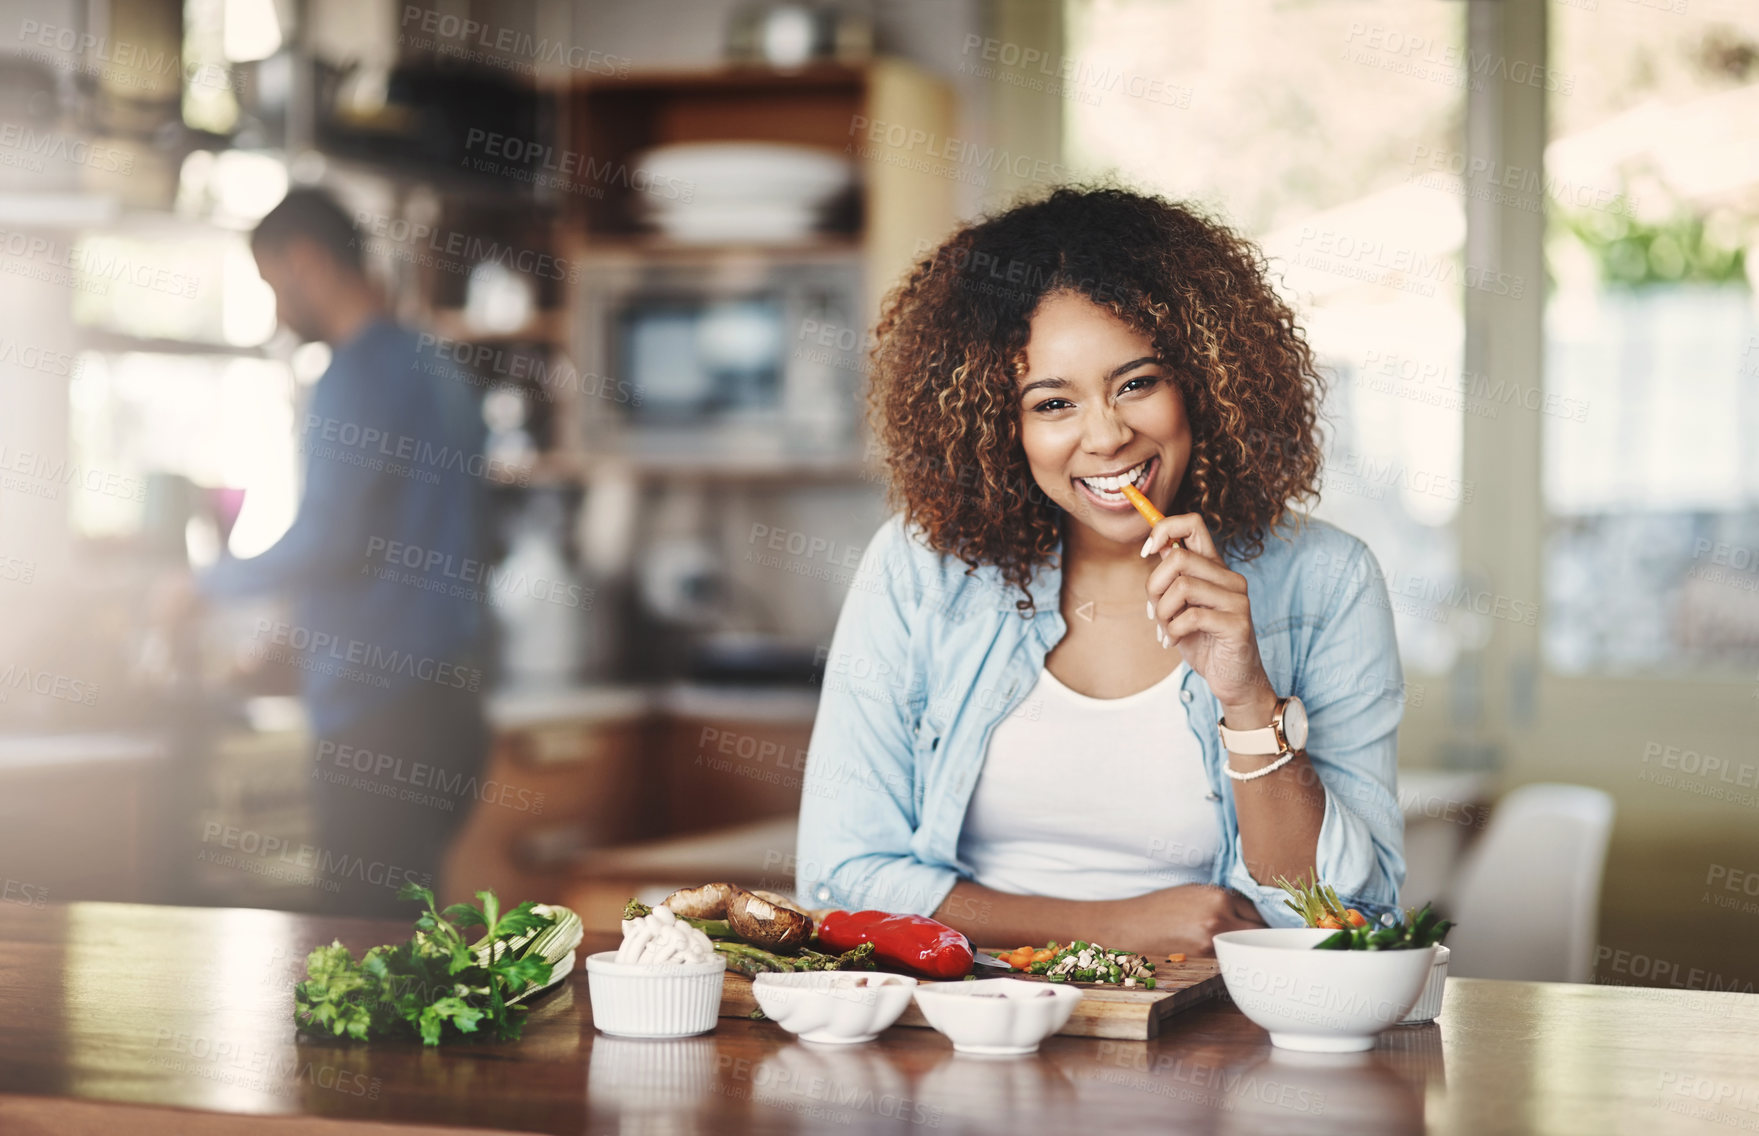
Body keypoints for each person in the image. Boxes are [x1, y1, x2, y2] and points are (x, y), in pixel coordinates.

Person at [795, 187, 1406, 957]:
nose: (1107, 436)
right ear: (998, 427)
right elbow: (839, 876)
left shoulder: (1327, 581)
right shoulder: (921, 568)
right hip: (971, 1024)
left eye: (1137, 383)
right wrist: (1110, 929)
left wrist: (1247, 699)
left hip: (1212, 1042)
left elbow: (1349, 918)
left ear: (1205, 382)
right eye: (1052, 403)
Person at [159, 188, 491, 917]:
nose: (277, 311)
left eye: (272, 287)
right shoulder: (436, 367)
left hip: (380, 718)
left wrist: (201, 586)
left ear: (304, 262)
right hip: (451, 708)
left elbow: (329, 540)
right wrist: (298, 637)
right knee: (409, 942)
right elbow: (405, 544)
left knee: (367, 958)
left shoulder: (355, 374)